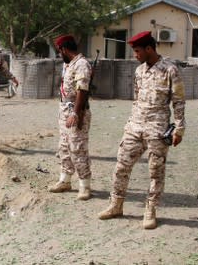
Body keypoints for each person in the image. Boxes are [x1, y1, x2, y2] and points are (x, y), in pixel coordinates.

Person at [98, 31, 186, 229]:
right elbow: (137, 98)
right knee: (121, 165)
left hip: (158, 128)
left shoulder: (170, 70)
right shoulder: (139, 71)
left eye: (137, 51)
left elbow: (179, 101)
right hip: (135, 126)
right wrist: (131, 122)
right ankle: (116, 205)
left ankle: (150, 211)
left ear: (149, 49)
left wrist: (178, 129)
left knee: (155, 171)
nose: (135, 55)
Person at [48, 35, 93, 200]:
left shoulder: (81, 64)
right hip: (65, 110)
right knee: (64, 147)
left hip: (76, 110)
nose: (59, 54)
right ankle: (65, 180)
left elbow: (82, 90)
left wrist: (75, 112)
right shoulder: (69, 64)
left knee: (78, 148)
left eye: (59, 51)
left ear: (64, 49)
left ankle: (84, 186)